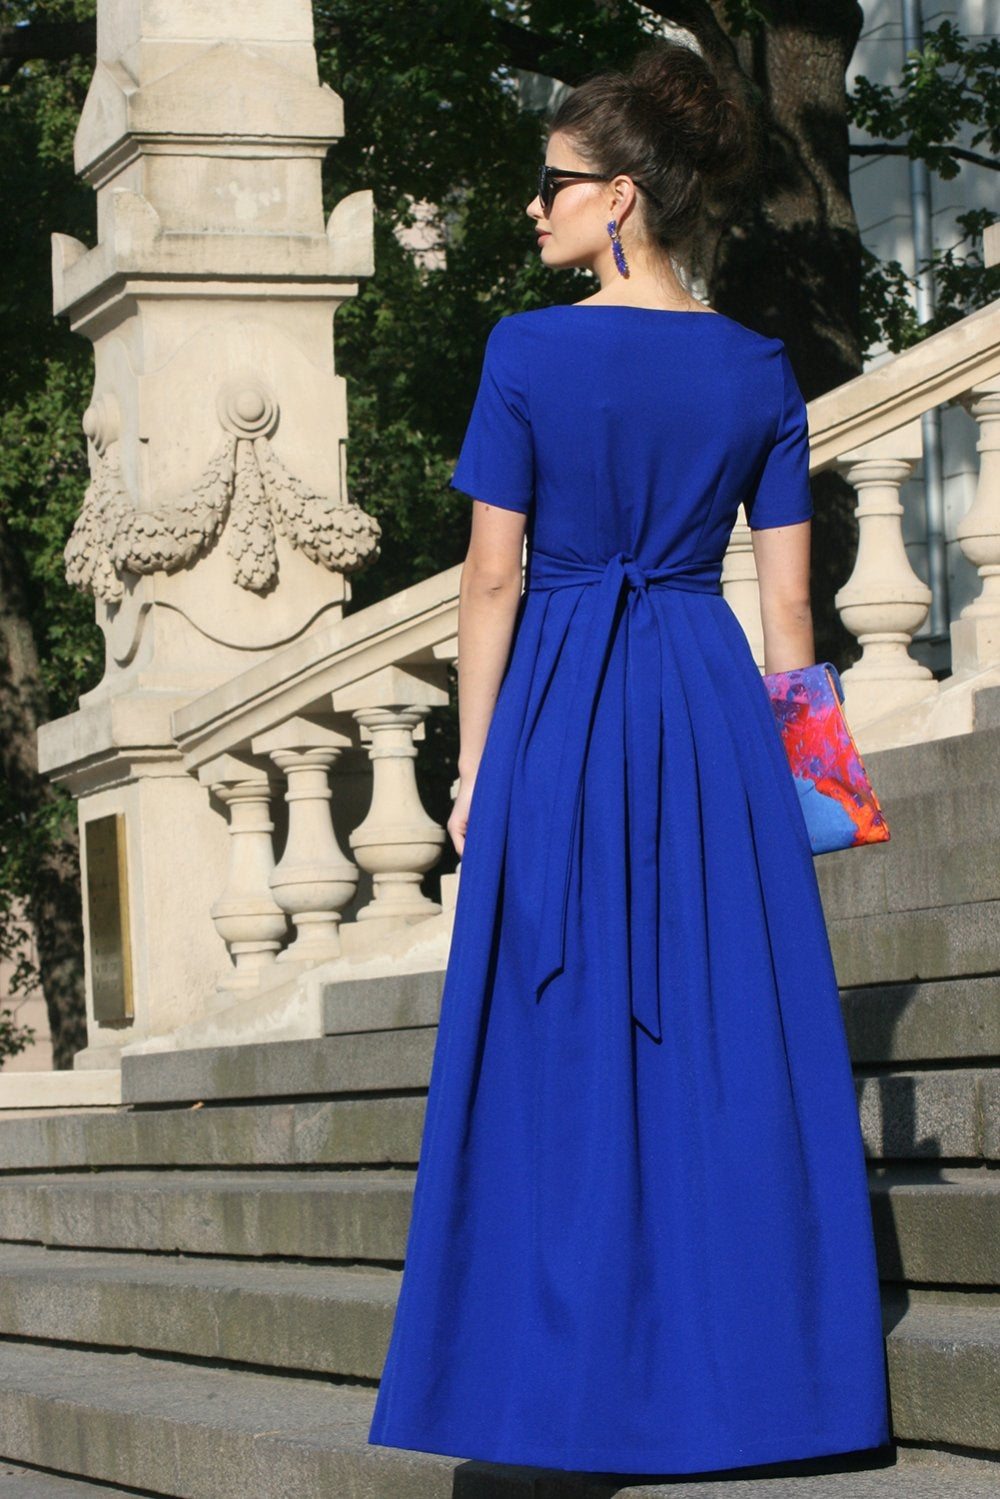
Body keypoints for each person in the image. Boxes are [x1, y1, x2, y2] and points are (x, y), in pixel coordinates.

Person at [368, 39, 890, 1477]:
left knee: (561, 1037)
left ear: (621, 199)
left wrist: (477, 768)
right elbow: (791, 617)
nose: (532, 206)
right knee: (726, 1034)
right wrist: (822, 781)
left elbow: (491, 579)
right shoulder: (758, 368)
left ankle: (558, 1388)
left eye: (552, 182)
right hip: (706, 712)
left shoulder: (526, 353)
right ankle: (768, 1387)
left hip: (560, 708)